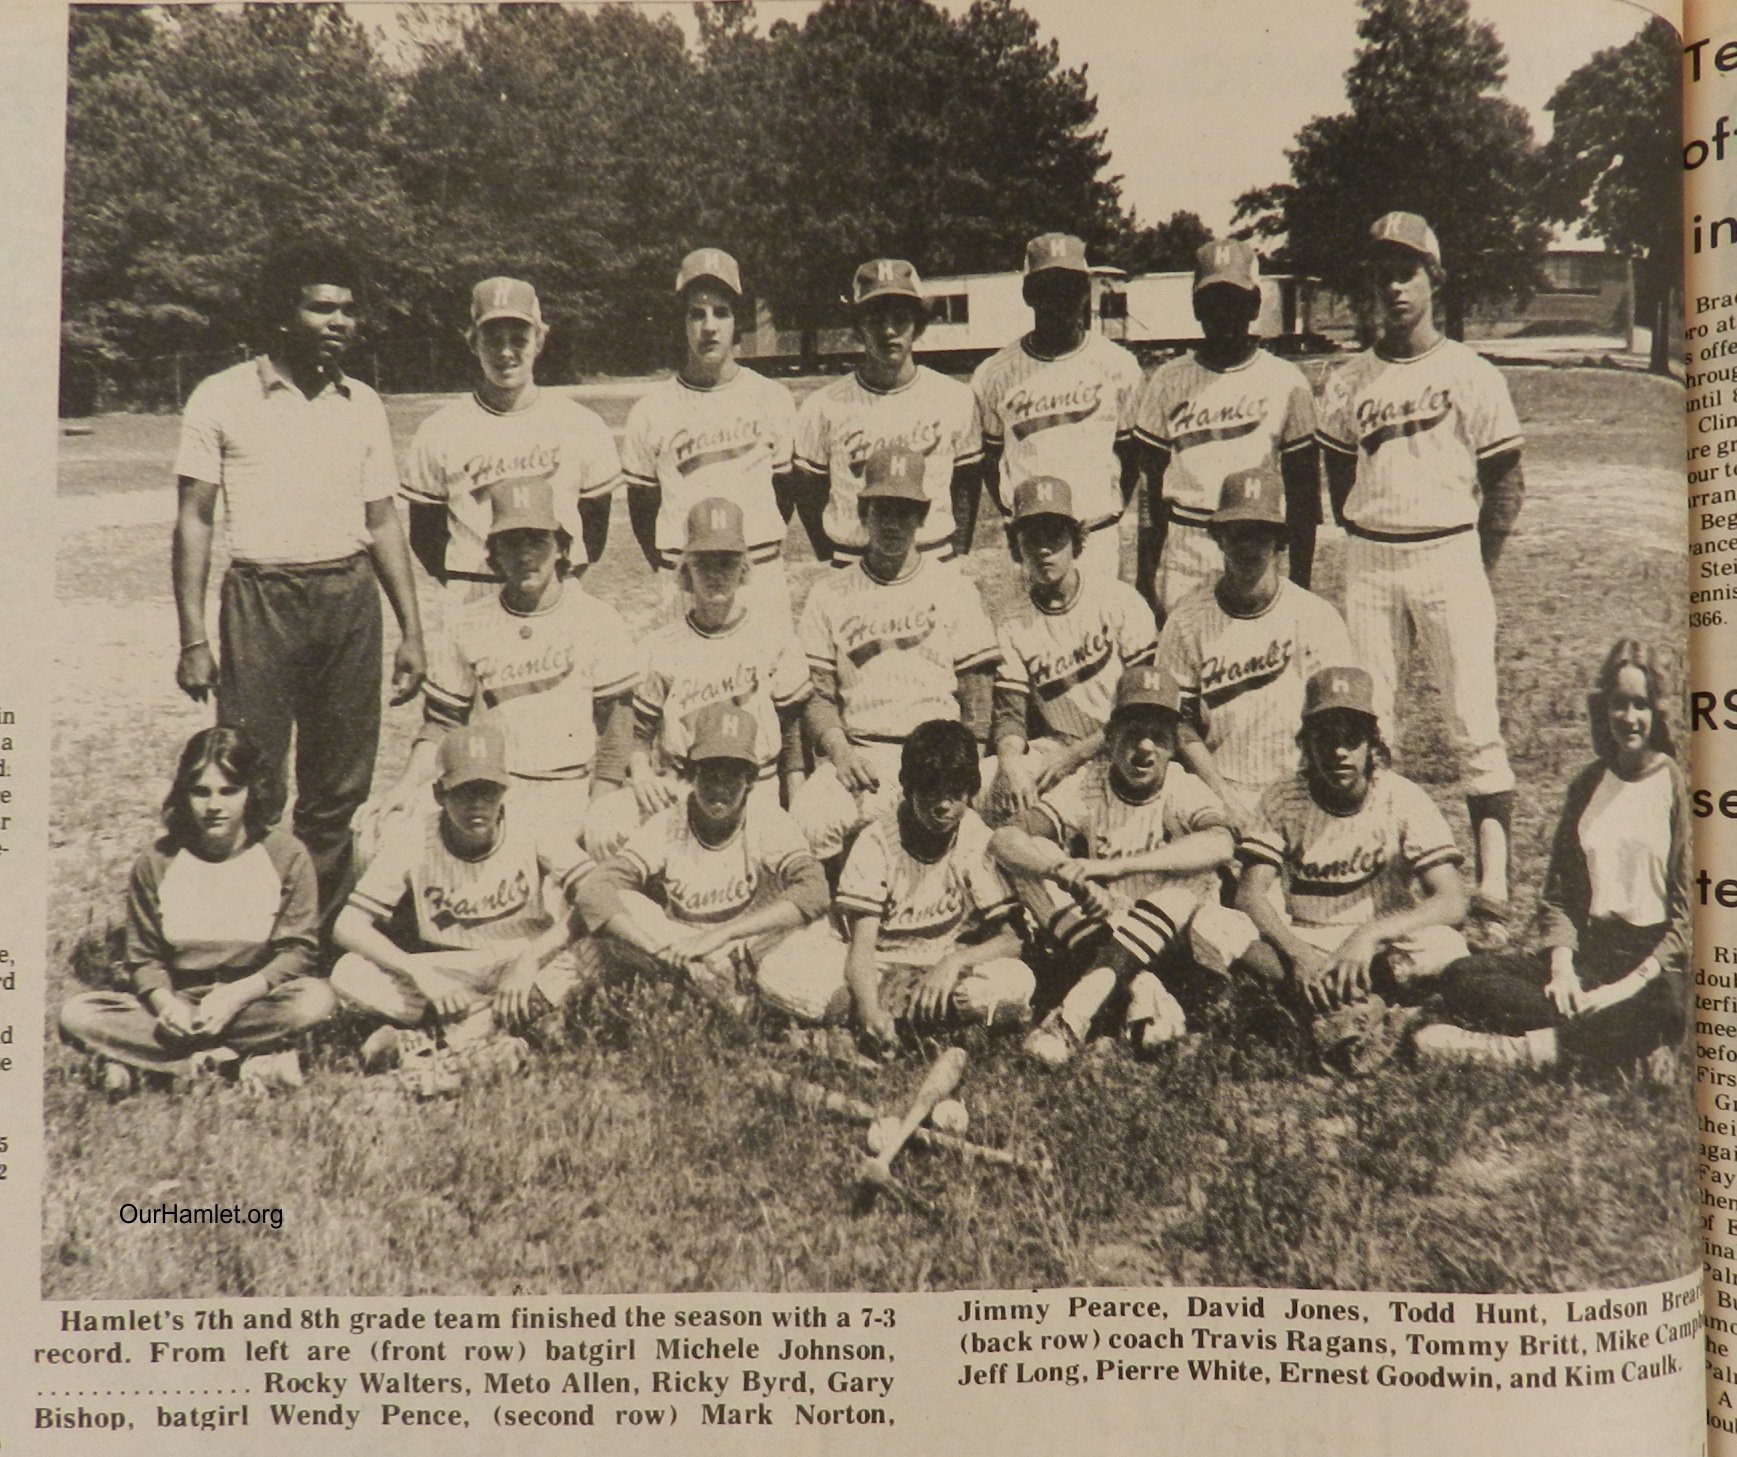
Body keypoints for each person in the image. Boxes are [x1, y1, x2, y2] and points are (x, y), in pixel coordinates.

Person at [172, 239, 426, 913]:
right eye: (322, 308)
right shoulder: (221, 397)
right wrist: (193, 637)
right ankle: (242, 924)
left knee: (339, 785)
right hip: (262, 599)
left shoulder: (362, 401)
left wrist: (412, 631)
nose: (339, 321)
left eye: (347, 309)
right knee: (248, 775)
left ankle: (316, 932)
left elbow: (384, 521)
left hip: (347, 597)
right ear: (284, 314)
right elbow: (194, 519)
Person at [1317, 212, 1525, 949]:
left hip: (1447, 551)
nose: (1394, 285)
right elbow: (1340, 473)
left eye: (1407, 270)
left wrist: (1479, 567)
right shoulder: (1345, 379)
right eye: (1382, 272)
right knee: (1374, 722)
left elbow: (1504, 483)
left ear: (1433, 278)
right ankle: (1388, 874)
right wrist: (1367, 528)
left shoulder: (1469, 372)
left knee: (1473, 717)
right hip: (1372, 555)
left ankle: (1494, 880)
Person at [1415, 641, 1689, 1072]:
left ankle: (1511, 1052)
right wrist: (1563, 969)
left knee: (1667, 1009)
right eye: (1620, 704)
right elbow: (1560, 897)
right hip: (1592, 955)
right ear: (1604, 708)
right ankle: (1614, 1048)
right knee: (1463, 976)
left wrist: (1621, 989)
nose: (1630, 718)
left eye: (1642, 704)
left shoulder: (1680, 790)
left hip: (1653, 963)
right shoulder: (1588, 785)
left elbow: (1688, 917)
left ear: (1660, 710)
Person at [990, 667, 1255, 1068]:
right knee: (1028, 864)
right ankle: (1140, 989)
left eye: (1159, 736)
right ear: (1110, 738)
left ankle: (1071, 1018)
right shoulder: (1089, 782)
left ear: (1173, 745)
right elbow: (1005, 838)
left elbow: (1221, 843)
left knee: (1191, 879)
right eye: (1132, 733)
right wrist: (1063, 870)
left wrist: (1111, 869)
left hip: (1176, 939)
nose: (1144, 748)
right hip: (1105, 927)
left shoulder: (1180, 785)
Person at [59, 727, 335, 1097]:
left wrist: (235, 996)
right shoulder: (157, 862)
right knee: (79, 1014)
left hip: (249, 1004)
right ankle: (234, 1062)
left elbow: (298, 951)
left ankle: (150, 1066)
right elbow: (145, 959)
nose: (214, 806)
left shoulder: (286, 855)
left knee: (315, 1001)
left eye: (229, 791)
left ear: (251, 791)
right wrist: (166, 1005)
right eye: (200, 792)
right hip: (181, 1006)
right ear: (183, 794)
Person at [372, 476, 638, 851]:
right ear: (493, 553)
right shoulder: (468, 624)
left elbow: (616, 727)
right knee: (387, 829)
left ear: (562, 548)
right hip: (492, 791)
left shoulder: (597, 619)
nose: (525, 554)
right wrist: (406, 785)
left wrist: (602, 799)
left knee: (611, 830)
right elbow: (443, 722)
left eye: (537, 539)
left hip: (572, 788)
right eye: (511, 541)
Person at [1232, 666, 1469, 1075]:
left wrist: (1369, 935)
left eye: (1351, 738)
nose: (1338, 752)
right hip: (1308, 940)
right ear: (1306, 743)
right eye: (1325, 737)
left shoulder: (1401, 796)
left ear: (1372, 744)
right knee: (1220, 927)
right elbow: (1249, 894)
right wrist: (1297, 952)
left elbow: (1452, 900)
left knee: (1447, 947)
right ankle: (1372, 1007)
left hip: (1378, 945)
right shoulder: (1284, 797)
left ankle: (1324, 1007)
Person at [758, 720, 1035, 1055]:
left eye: (954, 793)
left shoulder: (974, 835)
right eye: (931, 791)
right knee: (777, 971)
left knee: (1017, 981)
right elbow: (861, 950)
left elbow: (1012, 939)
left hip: (941, 964)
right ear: (908, 787)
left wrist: (955, 963)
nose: (943, 805)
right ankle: (919, 1026)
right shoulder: (877, 842)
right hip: (878, 964)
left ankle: (873, 1028)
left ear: (969, 791)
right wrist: (871, 1009)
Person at [332, 723, 590, 1081]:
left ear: (505, 789)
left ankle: (437, 1038)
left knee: (587, 957)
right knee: (349, 973)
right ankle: (501, 1030)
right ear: (439, 794)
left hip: (523, 959)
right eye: (465, 792)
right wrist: (417, 972)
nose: (479, 804)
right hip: (451, 968)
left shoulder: (530, 823)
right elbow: (348, 925)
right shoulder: (413, 837)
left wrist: (530, 959)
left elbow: (596, 893)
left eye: (489, 790)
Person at [792, 444, 999, 865]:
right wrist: (840, 752)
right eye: (881, 509)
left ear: (922, 517)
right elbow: (818, 694)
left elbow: (977, 687)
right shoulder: (829, 593)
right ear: (863, 513)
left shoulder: (953, 587)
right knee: (810, 819)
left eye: (904, 511)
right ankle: (842, 917)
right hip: (865, 752)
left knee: (1003, 809)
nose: (891, 523)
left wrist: (969, 761)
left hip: (940, 752)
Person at [583, 497, 810, 860]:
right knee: (604, 825)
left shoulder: (775, 637)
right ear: (686, 573)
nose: (716, 574)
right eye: (704, 564)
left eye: (727, 562)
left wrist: (796, 799)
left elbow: (792, 731)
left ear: (745, 569)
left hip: (755, 786)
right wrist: (641, 774)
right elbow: (638, 733)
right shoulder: (660, 645)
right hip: (680, 786)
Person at [573, 704, 830, 1017]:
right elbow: (594, 890)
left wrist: (723, 937)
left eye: (732, 774)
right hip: (687, 947)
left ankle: (731, 1003)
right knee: (622, 905)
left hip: (749, 944)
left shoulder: (768, 819)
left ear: (750, 779)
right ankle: (715, 996)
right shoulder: (668, 823)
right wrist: (660, 951)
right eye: (709, 772)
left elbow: (815, 890)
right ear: (692, 774)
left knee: (807, 956)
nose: (719, 787)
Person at [401, 276, 620, 631]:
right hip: (472, 591)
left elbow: (594, 526)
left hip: (555, 593)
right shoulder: (440, 429)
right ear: (473, 342)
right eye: (493, 339)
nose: (505, 353)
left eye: (518, 339)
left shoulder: (580, 424)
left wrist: (557, 573)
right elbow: (426, 535)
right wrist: (468, 578)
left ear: (540, 341)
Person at [1154, 465, 1353, 829]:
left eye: (1261, 535)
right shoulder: (1186, 621)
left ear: (1280, 541)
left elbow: (1336, 720)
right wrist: (1223, 798)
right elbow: (1177, 724)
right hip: (1217, 786)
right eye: (1238, 533)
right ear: (1219, 538)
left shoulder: (1317, 618)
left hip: (1303, 785)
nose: (1248, 547)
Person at [1134, 238, 1319, 620]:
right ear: (1196, 307)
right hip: (1188, 539)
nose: (1224, 314)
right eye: (1212, 302)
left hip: (1256, 539)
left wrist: (1300, 578)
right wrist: (1145, 574)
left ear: (1254, 305)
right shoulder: (1168, 380)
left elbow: (1303, 493)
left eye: (1235, 301)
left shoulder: (1286, 381)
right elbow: (1150, 491)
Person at [623, 249, 802, 619]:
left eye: (721, 312)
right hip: (684, 576)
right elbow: (643, 506)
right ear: (681, 322)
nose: (709, 326)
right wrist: (673, 563)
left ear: (738, 321)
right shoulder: (651, 410)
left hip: (759, 570)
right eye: (696, 314)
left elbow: (784, 491)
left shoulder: (773, 399)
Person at [971, 233, 1143, 584]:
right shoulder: (994, 374)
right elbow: (990, 460)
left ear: (1085, 292)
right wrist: (1015, 513)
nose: (1058, 301)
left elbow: (1131, 456)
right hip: (1033, 540)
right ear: (1028, 295)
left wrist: (1105, 511)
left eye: (1069, 287)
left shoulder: (1119, 366)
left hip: (1096, 533)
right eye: (1046, 289)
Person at [987, 474, 1158, 822]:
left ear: (1076, 541)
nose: (1044, 549)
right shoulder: (1010, 620)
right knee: (989, 788)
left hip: (1127, 740)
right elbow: (1010, 715)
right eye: (1032, 538)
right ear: (1016, 545)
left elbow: (1145, 705)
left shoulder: (1119, 599)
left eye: (1055, 536)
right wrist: (1009, 764)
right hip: (1058, 744)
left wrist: (1077, 756)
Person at [793, 257, 983, 566]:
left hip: (932, 556)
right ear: (857, 327)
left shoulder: (954, 397)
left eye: (901, 318)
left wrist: (956, 553)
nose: (889, 331)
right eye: (875, 320)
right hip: (853, 558)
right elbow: (809, 493)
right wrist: (833, 556)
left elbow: (966, 486)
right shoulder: (823, 405)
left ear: (918, 325)